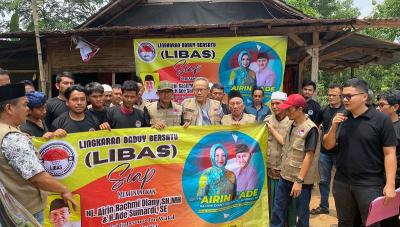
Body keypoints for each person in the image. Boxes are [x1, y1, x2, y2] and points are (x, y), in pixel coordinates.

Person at [323, 78, 397, 227]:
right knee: (345, 222)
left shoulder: (381, 119)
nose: (345, 99)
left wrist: (390, 184)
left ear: (364, 97)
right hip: (342, 182)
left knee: (371, 223)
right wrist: (333, 126)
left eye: (349, 96)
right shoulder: (341, 117)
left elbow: (390, 153)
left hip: (369, 184)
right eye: (343, 96)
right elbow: (328, 145)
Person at [0, 83, 77, 224]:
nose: (27, 110)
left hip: (9, 206)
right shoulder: (12, 138)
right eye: (24, 105)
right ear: (9, 109)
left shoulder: (8, 132)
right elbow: (36, 177)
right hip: (25, 210)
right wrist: (64, 189)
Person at [270, 94, 320, 227]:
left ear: (300, 109)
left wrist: (299, 181)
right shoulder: (291, 124)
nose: (286, 112)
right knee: (278, 210)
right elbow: (285, 145)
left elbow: (309, 156)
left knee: (302, 214)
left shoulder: (311, 129)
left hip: (300, 181)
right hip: (285, 176)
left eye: (289, 109)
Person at [311, 83, 344, 215]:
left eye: (334, 95)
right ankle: (324, 206)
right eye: (329, 95)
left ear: (341, 96)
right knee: (323, 180)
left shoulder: (346, 110)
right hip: (325, 152)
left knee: (341, 182)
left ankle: (343, 212)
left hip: (341, 152)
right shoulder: (323, 110)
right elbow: (315, 125)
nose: (330, 97)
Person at [263, 91, 295, 224]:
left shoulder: (292, 121)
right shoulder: (267, 120)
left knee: (285, 204)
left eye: (278, 103)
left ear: (285, 104)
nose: (275, 106)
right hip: (270, 169)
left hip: (286, 171)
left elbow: (286, 143)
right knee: (271, 204)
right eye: (273, 104)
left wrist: (272, 130)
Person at [377, 90, 400, 226]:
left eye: (382, 105)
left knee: (390, 218)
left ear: (395, 107)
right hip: (375, 178)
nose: (379, 108)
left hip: (395, 180)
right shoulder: (376, 125)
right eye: (378, 105)